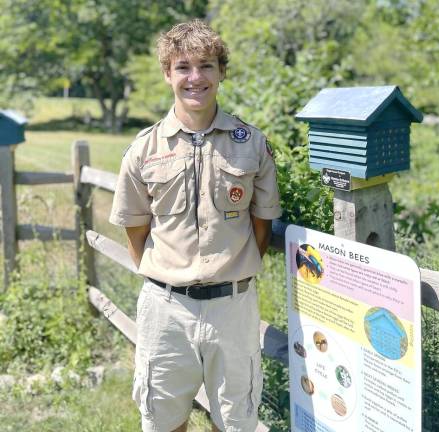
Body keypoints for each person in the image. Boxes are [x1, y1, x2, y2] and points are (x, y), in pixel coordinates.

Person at [110, 19, 282, 432]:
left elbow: (261, 226)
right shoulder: (143, 150)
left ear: (221, 71)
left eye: (206, 65)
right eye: (183, 66)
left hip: (234, 309)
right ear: (168, 74)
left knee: (237, 420)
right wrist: (173, 277)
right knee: (164, 421)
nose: (195, 77)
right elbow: (136, 231)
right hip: (166, 311)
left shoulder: (251, 143)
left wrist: (228, 273)